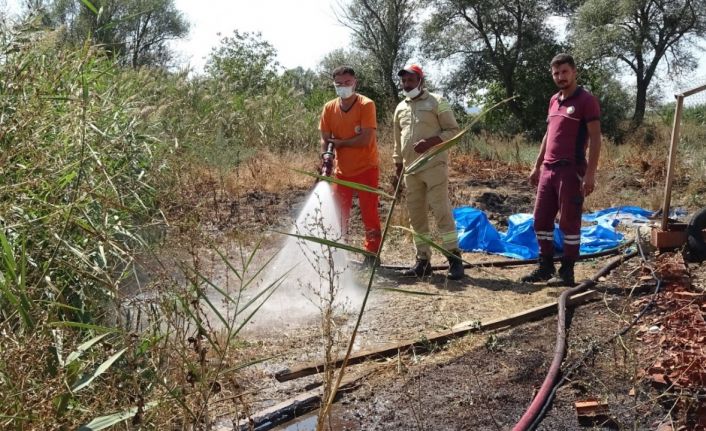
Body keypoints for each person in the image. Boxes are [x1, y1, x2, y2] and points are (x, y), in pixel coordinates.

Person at [521, 53, 602, 286]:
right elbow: (548, 135)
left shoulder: (586, 100)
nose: (560, 77)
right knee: (541, 220)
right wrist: (537, 166)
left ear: (574, 72)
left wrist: (590, 173)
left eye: (565, 72)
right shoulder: (553, 100)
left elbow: (596, 139)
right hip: (548, 170)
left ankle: (567, 271)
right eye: (556, 73)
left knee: (569, 222)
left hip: (571, 170)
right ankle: (545, 266)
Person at [392, 64, 464, 280]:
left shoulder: (437, 102)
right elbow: (397, 141)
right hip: (410, 170)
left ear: (420, 80)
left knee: (441, 211)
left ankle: (454, 260)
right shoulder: (400, 108)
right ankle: (423, 261)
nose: (407, 84)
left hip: (433, 167)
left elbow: (453, 131)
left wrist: (431, 142)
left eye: (411, 80)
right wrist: (397, 166)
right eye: (404, 81)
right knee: (416, 217)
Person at [319, 66, 382, 266]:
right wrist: (326, 157)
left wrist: (340, 143)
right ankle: (339, 251)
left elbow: (365, 138)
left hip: (366, 168)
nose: (343, 87)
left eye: (347, 83)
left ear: (355, 82)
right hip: (342, 171)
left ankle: (372, 254)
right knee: (339, 213)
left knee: (369, 212)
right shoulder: (329, 108)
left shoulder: (366, 105)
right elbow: (325, 138)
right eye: (338, 84)